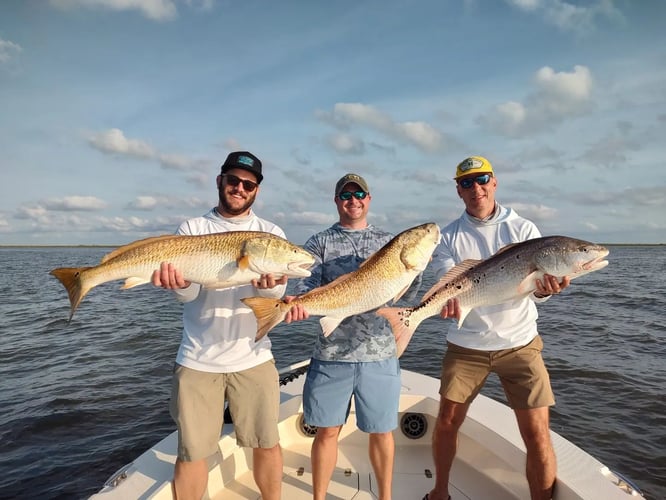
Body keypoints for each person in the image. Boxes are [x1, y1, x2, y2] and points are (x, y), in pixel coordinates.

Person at [424, 156, 571, 500]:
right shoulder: (448, 236)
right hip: (466, 345)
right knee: (446, 422)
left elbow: (537, 292)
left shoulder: (524, 230)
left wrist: (544, 291)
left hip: (520, 343)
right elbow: (445, 280)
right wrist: (444, 301)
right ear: (458, 190)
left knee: (537, 432)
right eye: (466, 183)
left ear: (494, 182)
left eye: (482, 179)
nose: (476, 188)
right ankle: (440, 493)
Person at [151, 151, 285, 500]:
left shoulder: (270, 233)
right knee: (192, 453)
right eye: (233, 180)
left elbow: (278, 294)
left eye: (248, 184)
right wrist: (179, 284)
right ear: (220, 181)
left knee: (267, 444)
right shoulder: (193, 229)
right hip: (198, 359)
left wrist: (270, 284)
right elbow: (189, 293)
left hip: (253, 357)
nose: (239, 188)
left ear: (257, 190)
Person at [285, 173, 419, 500]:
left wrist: (415, 268)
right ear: (336, 201)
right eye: (346, 195)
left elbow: (404, 294)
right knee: (327, 432)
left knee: (382, 432)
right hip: (332, 355)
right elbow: (305, 284)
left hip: (380, 353)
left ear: (369, 198)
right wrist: (298, 302)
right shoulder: (320, 242)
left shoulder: (390, 242)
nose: (353, 200)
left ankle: (385, 496)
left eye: (359, 193)